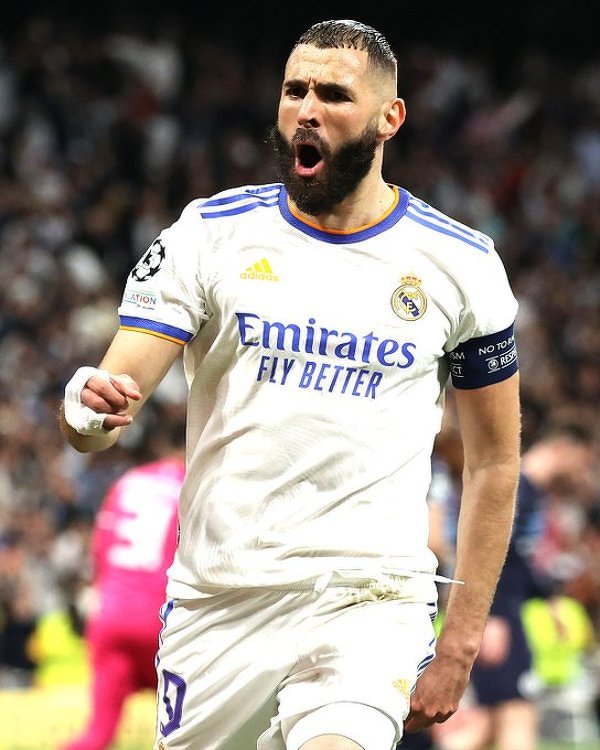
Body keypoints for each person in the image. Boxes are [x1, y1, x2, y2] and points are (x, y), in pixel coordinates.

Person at [59, 19, 521, 750]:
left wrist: (459, 643)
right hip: (220, 603)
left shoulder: (461, 264)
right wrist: (86, 409)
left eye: (333, 95)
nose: (306, 109)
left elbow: (494, 460)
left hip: (369, 601)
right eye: (294, 90)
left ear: (389, 117)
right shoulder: (207, 235)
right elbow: (102, 408)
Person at [428, 418, 595, 750]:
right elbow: (488, 553)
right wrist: (489, 617)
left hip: (503, 614)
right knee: (517, 714)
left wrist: (549, 600)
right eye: (583, 461)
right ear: (566, 449)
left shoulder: (530, 490)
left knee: (490, 721)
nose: (583, 473)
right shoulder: (515, 487)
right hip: (498, 619)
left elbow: (519, 561)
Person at [59, 420, 184, 750]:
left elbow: (99, 553)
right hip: (163, 623)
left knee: (98, 734)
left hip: (110, 616)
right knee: (189, 736)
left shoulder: (128, 482)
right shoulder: (194, 485)